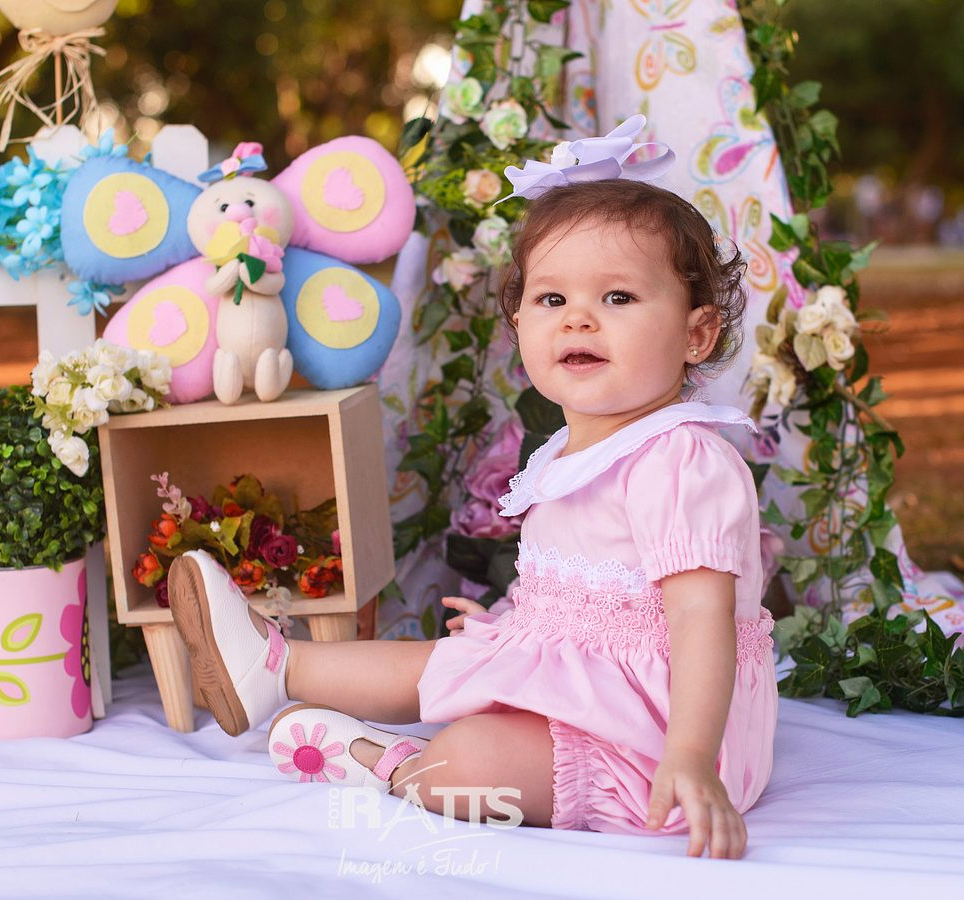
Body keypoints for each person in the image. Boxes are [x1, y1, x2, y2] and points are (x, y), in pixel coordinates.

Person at [165, 119, 777, 860]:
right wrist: (524, 625)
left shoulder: (681, 459)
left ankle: (390, 764)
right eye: (551, 300)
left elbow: (701, 621)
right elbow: (597, 582)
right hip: (585, 677)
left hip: (653, 738)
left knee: (471, 756)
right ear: (518, 324)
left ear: (695, 335)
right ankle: (277, 667)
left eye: (618, 297)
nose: (579, 318)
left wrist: (689, 756)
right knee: (433, 659)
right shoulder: (572, 447)